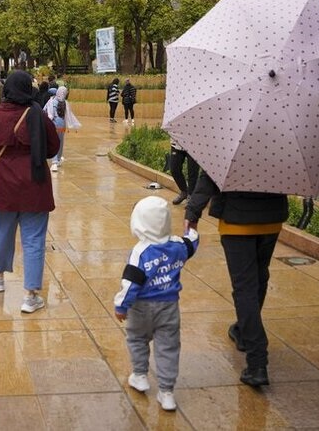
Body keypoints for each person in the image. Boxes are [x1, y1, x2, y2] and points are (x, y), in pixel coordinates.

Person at [185, 173, 288, 388]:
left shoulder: (231, 142)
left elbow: (210, 175)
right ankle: (243, 330)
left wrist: (193, 213)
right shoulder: (282, 143)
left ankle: (257, 362)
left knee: (245, 288)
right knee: (259, 278)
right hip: (271, 219)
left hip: (237, 220)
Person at [0, 70, 59, 313]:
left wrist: (1, 159)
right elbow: (52, 148)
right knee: (34, 240)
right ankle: (30, 296)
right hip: (35, 182)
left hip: (3, 182)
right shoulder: (38, 114)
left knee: (2, 232)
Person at [114, 196, 199, 412]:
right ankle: (167, 392)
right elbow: (192, 242)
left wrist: (121, 306)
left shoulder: (140, 252)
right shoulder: (178, 246)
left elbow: (131, 283)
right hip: (169, 307)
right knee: (168, 347)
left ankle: (140, 375)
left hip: (140, 308)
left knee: (136, 339)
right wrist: (190, 230)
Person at [44, 85, 81, 172]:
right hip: (62, 127)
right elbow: (69, 115)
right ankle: (58, 158)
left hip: (53, 126)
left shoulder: (51, 101)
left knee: (53, 142)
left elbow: (45, 111)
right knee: (60, 143)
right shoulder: (65, 103)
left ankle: (54, 162)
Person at [169, 139, 200, 205]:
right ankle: (184, 191)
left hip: (194, 144)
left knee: (192, 172)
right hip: (176, 143)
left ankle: (191, 196)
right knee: (174, 169)